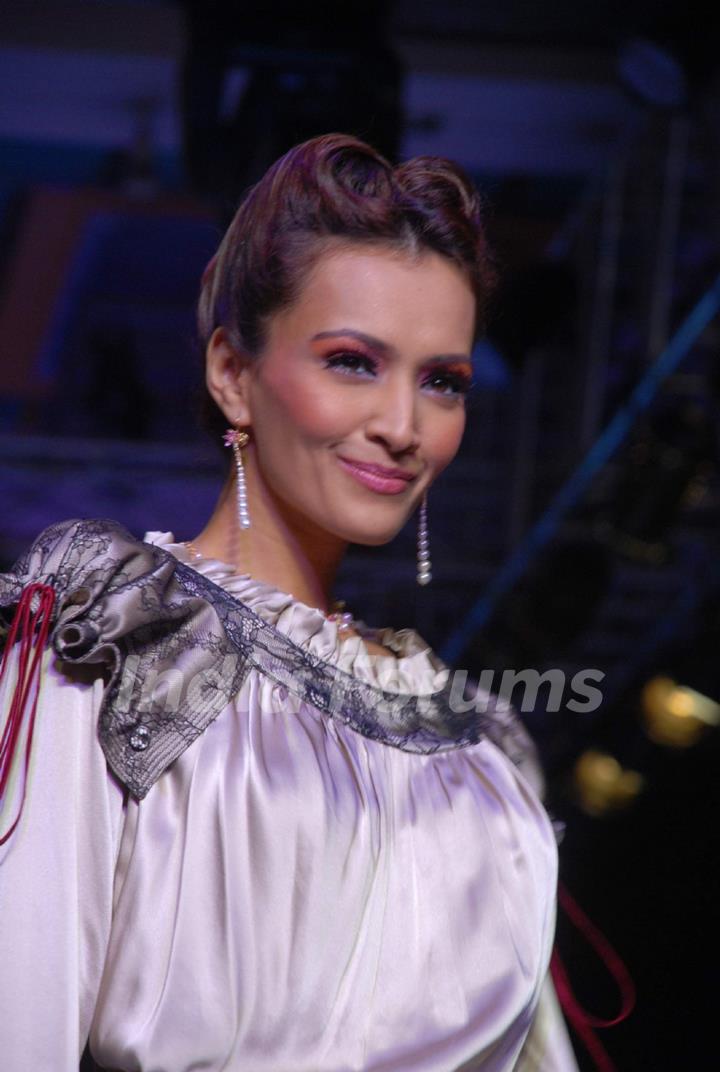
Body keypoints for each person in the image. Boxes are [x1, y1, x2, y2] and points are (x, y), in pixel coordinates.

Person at [0, 134, 579, 1071]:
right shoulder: (120, 633)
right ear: (232, 374)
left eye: (443, 381)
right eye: (353, 361)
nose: (402, 426)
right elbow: (20, 999)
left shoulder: (480, 750)